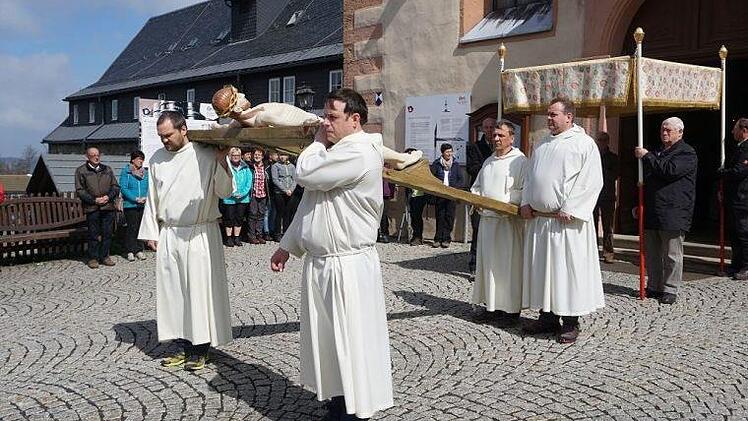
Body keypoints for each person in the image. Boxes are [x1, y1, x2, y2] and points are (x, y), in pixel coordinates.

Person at [270, 88, 393, 420]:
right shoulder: (338, 152)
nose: (325, 123)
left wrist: (316, 142)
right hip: (324, 263)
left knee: (351, 339)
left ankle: (354, 410)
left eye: (332, 117)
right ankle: (339, 401)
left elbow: (306, 174)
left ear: (355, 120)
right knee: (328, 341)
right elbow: (311, 203)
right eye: (323, 117)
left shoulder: (359, 152)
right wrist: (287, 245)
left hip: (348, 265)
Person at [138, 110, 234, 371]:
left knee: (197, 292)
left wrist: (223, 162)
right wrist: (151, 231)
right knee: (174, 293)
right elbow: (153, 196)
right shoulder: (157, 159)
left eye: (168, 135)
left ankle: (200, 349)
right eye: (160, 136)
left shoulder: (204, 153)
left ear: (183, 130)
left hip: (199, 232)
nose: (164, 141)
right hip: (170, 233)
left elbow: (225, 191)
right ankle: (182, 345)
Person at [520, 97, 604, 344]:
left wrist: (571, 207)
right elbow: (530, 177)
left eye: (554, 114)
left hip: (567, 223)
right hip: (542, 222)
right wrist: (526, 201)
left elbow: (591, 180)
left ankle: (570, 322)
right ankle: (546, 317)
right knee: (544, 272)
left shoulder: (583, 144)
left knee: (566, 272)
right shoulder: (542, 143)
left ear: (569, 116)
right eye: (548, 114)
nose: (549, 119)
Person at [634, 117, 697, 304]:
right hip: (654, 210)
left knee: (671, 254)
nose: (664, 133)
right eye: (663, 129)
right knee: (653, 253)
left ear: (680, 132)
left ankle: (670, 288)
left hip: (673, 211)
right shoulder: (658, 151)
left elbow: (669, 171)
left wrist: (646, 156)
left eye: (669, 130)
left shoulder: (687, 153)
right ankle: (655, 285)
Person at [470, 119, 527, 327]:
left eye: (500, 135)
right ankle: (491, 307)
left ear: (512, 137)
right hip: (487, 222)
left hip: (507, 224)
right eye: (494, 135)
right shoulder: (488, 161)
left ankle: (510, 311)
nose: (495, 139)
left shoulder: (520, 162)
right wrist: (476, 198)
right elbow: (476, 186)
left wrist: (505, 202)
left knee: (507, 267)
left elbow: (524, 191)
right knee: (489, 266)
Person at [75, 147, 120, 269]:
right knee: (93, 234)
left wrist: (108, 197)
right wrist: (94, 200)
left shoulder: (107, 169)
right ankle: (93, 258)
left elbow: (115, 187)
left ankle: (105, 256)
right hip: (92, 208)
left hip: (107, 206)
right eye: (93, 155)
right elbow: (80, 190)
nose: (96, 157)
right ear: (87, 157)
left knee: (107, 233)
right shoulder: (81, 171)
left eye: (98, 155)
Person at [720, 118, 748, 280]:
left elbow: (739, 171)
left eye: (735, 129)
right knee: (735, 232)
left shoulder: (746, 148)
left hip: (743, 197)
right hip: (735, 198)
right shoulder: (739, 147)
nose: (732, 132)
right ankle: (736, 264)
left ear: (743, 130)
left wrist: (722, 173)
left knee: (744, 233)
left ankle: (746, 265)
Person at [466, 117, 496, 272]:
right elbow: (471, 168)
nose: (490, 130)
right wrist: (490, 166)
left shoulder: (499, 147)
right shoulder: (474, 147)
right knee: (478, 229)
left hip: (495, 195)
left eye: (492, 127)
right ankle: (474, 265)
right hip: (479, 193)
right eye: (487, 127)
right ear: (483, 129)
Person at [430, 143, 465, 248]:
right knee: (440, 216)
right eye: (447, 152)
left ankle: (446, 239)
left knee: (449, 217)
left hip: (451, 195)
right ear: (442, 153)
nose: (449, 153)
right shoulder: (437, 164)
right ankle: (437, 239)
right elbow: (432, 178)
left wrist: (455, 189)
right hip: (440, 195)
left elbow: (460, 180)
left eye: (451, 151)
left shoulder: (455, 164)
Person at [594, 132, 620, 264]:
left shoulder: (613, 158)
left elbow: (616, 174)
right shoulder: (592, 156)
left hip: (607, 195)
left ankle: (608, 252)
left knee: (608, 226)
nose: (601, 142)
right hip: (593, 195)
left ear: (608, 141)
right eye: (599, 140)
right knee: (591, 225)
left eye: (604, 140)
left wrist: (603, 172)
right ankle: (592, 251)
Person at [119, 150, 149, 261]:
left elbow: (149, 187)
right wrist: (135, 198)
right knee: (132, 227)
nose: (141, 161)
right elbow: (124, 188)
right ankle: (130, 250)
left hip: (143, 204)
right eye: (139, 159)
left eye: (142, 159)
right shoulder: (126, 172)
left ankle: (139, 249)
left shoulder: (145, 173)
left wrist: (145, 197)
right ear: (133, 160)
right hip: (130, 205)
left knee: (140, 228)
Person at [220, 147, 252, 247]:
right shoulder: (226, 167)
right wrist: (232, 193)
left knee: (239, 218)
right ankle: (228, 238)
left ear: (240, 156)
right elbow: (224, 180)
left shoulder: (246, 167)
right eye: (233, 155)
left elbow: (249, 182)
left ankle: (237, 237)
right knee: (229, 218)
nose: (235, 157)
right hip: (229, 198)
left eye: (237, 155)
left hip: (243, 198)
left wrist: (242, 193)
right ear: (230, 156)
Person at [271, 152, 298, 241]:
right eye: (281, 155)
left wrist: (291, 189)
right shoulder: (275, 166)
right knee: (279, 213)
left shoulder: (292, 166)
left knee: (288, 213)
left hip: (290, 192)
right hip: (280, 193)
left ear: (288, 156)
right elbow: (275, 179)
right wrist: (285, 190)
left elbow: (295, 179)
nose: (283, 157)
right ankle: (277, 233)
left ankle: (286, 232)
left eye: (285, 155)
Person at [404, 148, 427, 246]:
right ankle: (416, 236)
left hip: (419, 195)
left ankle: (418, 237)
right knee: (414, 217)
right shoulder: (407, 166)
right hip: (411, 195)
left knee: (417, 217)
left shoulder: (420, 166)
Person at [247, 147, 270, 244]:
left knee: (261, 215)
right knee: (252, 215)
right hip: (253, 193)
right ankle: (251, 235)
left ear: (262, 156)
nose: (257, 156)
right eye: (255, 154)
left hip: (263, 194)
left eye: (259, 155)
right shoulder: (250, 166)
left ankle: (259, 235)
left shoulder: (266, 167)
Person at [264, 150, 279, 241]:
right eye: (275, 155)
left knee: (273, 213)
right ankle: (266, 231)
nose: (277, 156)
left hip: (275, 194)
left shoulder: (277, 166)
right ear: (270, 156)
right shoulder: (267, 168)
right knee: (267, 213)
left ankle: (272, 230)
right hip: (268, 193)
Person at [378, 169, 396, 243]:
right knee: (376, 214)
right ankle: (377, 234)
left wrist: (390, 192)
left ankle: (384, 233)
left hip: (384, 192)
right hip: (376, 191)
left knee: (383, 214)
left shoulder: (388, 165)